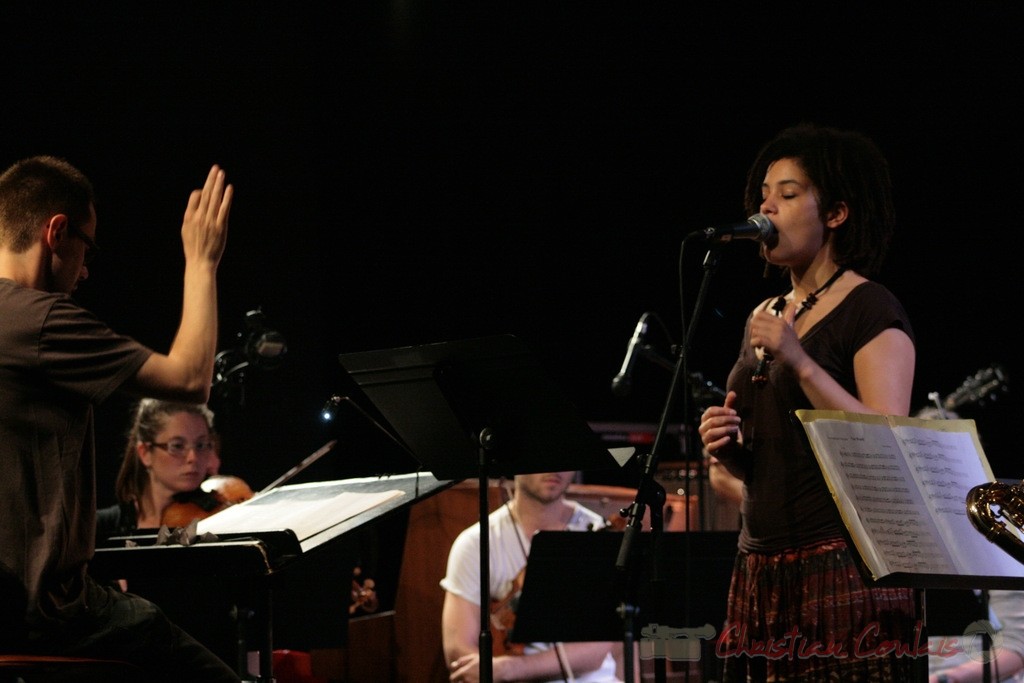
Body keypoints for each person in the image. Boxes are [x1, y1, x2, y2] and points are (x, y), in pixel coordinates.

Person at [0, 155, 238, 682]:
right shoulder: (37, 320)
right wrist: (202, 262)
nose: (85, 269)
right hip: (46, 613)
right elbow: (191, 380)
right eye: (87, 246)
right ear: (56, 232)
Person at [697, 123, 921, 681]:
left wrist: (800, 361)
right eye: (764, 195)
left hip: (843, 564)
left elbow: (888, 440)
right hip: (762, 563)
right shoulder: (766, 313)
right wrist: (731, 452)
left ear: (836, 214)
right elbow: (778, 454)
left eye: (788, 194)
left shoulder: (870, 308)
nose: (767, 207)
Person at [441, 472, 623, 683]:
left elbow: (595, 652)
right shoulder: (475, 543)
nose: (555, 467)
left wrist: (510, 668)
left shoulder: (598, 533)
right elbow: (458, 648)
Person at [96, 398, 251, 539]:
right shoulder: (101, 526)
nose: (193, 458)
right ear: (145, 453)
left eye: (201, 445)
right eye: (177, 446)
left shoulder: (220, 513)